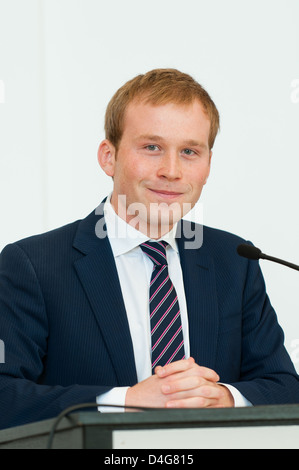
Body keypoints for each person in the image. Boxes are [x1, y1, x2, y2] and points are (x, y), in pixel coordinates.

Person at [0, 69, 298, 430]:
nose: (171, 171)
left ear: (207, 166)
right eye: (152, 147)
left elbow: (284, 387)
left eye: (189, 151)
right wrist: (126, 402)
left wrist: (220, 397)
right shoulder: (32, 265)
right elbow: (6, 395)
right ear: (109, 157)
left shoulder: (234, 260)